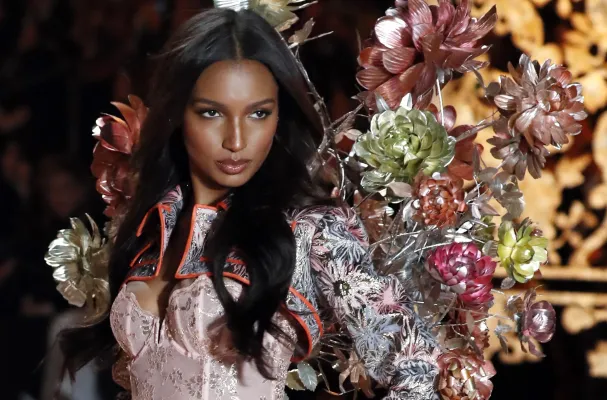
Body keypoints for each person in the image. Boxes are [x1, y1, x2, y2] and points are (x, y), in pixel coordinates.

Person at [57, 7, 439, 400]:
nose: (236, 141)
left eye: (258, 113)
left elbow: (415, 367)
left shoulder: (308, 231)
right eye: (212, 113)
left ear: (279, 117)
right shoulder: (147, 229)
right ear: (178, 114)